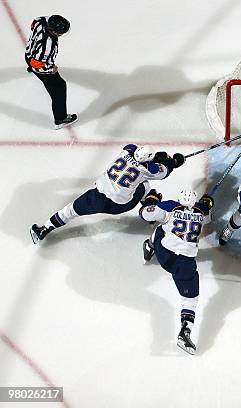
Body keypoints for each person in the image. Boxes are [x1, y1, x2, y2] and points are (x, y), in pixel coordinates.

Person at [30, 145, 185, 243]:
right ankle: (150, 210)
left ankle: (44, 228)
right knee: (145, 186)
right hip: (120, 205)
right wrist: (172, 162)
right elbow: (163, 172)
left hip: (97, 197)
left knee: (70, 210)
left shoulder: (124, 153)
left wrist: (153, 159)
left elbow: (130, 147)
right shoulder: (146, 170)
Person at [140, 189, 214, 355]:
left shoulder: (172, 206)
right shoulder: (201, 211)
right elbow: (208, 216)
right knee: (190, 299)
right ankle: (185, 332)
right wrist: (207, 203)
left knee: (162, 229)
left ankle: (149, 246)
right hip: (185, 263)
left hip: (164, 253)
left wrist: (150, 201)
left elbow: (145, 214)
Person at [25, 15, 77, 129]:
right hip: (37, 64)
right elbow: (36, 63)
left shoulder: (42, 21)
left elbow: (34, 22)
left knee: (31, 62)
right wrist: (51, 69)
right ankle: (60, 118)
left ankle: (30, 68)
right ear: (53, 31)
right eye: (60, 33)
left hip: (29, 53)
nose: (61, 35)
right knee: (60, 87)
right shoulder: (48, 45)